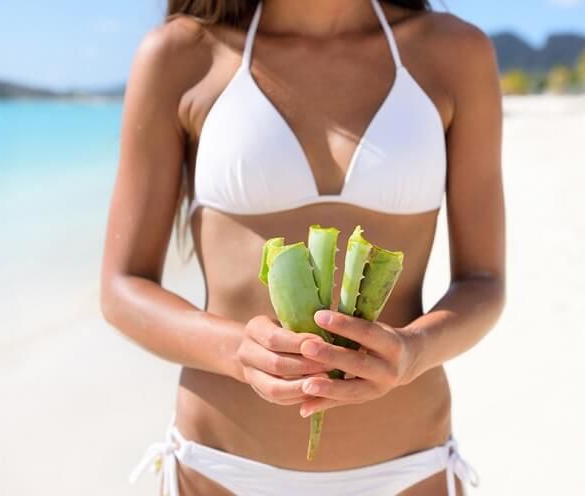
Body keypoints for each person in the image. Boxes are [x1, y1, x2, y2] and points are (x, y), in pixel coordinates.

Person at [101, 0, 505, 494]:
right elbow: (122, 287)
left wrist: (414, 352)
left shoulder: (454, 52)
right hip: (219, 470)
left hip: (408, 471)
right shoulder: (183, 54)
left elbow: (484, 281)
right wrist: (236, 351)